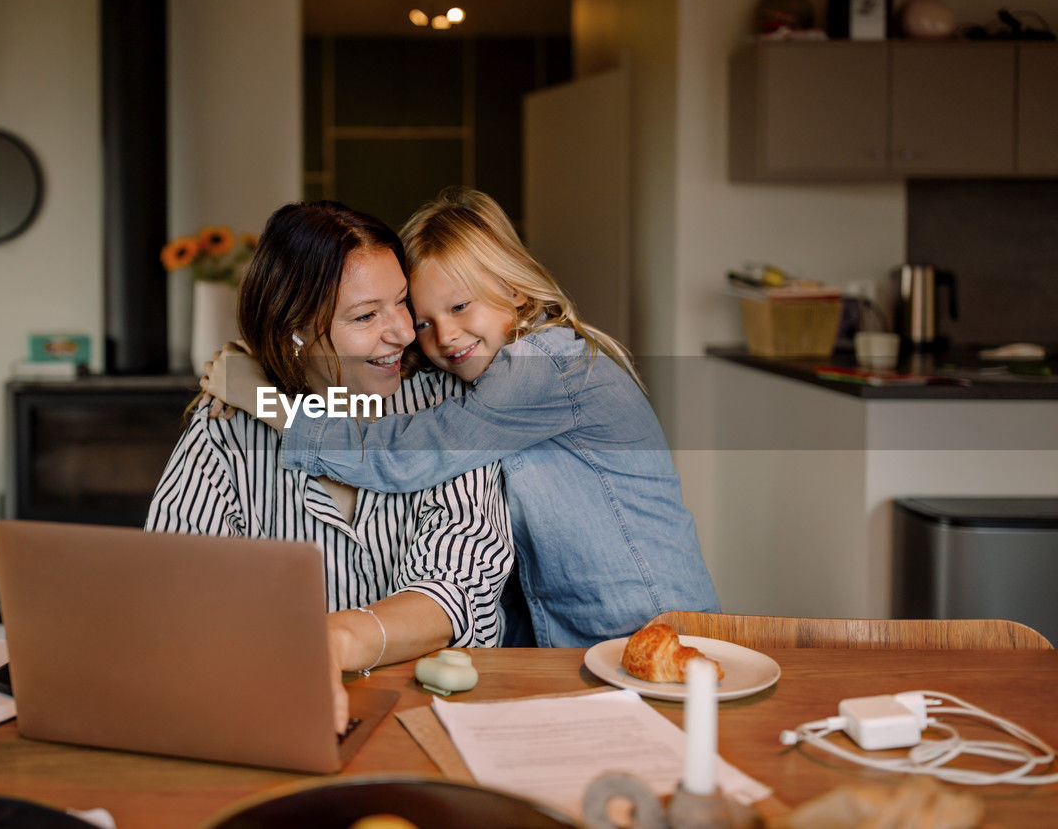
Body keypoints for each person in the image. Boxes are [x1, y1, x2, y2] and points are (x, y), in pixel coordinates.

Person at [202, 187, 719, 649]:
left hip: (654, 632)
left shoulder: (544, 364)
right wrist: (275, 357)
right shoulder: (485, 368)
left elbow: (401, 454)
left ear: (516, 291)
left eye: (460, 307)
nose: (443, 336)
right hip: (576, 643)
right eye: (422, 319)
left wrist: (263, 399)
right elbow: (362, 375)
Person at [145, 200, 513, 731]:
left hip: (441, 718)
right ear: (297, 333)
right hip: (269, 713)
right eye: (366, 316)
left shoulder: (446, 407)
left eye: (402, 303)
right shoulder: (226, 426)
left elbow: (457, 591)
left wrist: (332, 640)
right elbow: (173, 590)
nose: (405, 333)